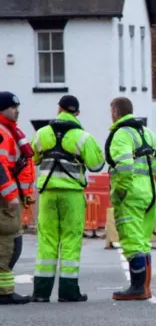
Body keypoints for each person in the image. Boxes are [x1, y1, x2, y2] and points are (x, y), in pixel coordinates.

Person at [30, 95, 105, 302]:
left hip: (47, 194)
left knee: (47, 241)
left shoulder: (42, 134)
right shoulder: (83, 137)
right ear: (77, 113)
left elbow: (33, 158)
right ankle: (69, 292)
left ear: (59, 109)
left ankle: (41, 293)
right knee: (70, 240)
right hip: (71, 195)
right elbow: (97, 165)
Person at [104, 97, 156, 300]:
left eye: (111, 112)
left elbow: (125, 167)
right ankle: (145, 287)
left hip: (131, 194)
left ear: (116, 112)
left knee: (132, 240)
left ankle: (137, 288)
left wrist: (120, 191)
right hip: (150, 192)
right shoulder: (148, 133)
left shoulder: (121, 135)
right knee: (144, 241)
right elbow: (155, 164)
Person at [0, 92, 35, 305]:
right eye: (13, 107)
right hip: (5, 199)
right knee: (8, 243)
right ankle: (4, 293)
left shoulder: (9, 131)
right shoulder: (3, 133)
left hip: (10, 197)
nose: (17, 110)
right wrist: (11, 195)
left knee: (11, 242)